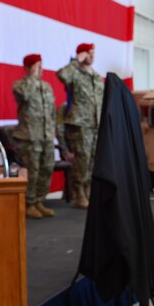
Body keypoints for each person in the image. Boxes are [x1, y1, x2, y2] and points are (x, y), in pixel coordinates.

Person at [57, 43, 104, 208]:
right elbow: (62, 75)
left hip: (95, 124)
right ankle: (79, 193)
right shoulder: (74, 74)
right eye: (88, 53)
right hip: (80, 125)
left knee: (93, 160)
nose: (92, 56)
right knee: (82, 161)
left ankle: (89, 189)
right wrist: (76, 60)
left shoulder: (97, 77)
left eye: (93, 53)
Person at [13, 53, 58, 219]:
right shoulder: (20, 85)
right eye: (37, 65)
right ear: (28, 67)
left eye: (41, 65)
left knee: (47, 169)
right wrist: (32, 76)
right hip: (29, 136)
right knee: (32, 171)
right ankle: (29, 203)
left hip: (46, 136)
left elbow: (52, 111)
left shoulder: (46, 87)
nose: (41, 69)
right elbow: (24, 96)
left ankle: (39, 200)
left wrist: (54, 131)